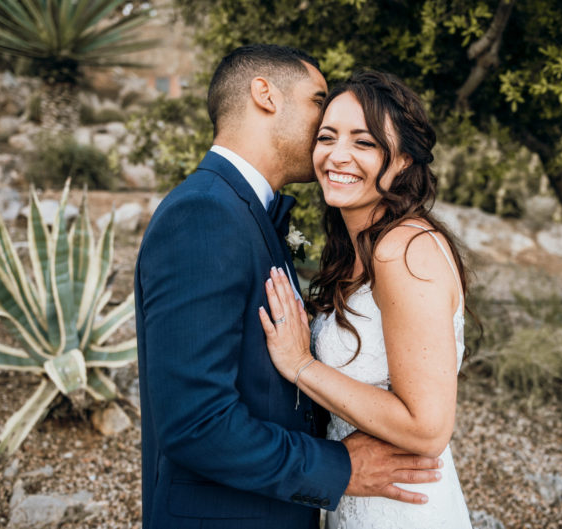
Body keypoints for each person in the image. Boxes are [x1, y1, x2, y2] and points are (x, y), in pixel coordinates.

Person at [134, 45, 444, 529]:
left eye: (363, 139)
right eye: (319, 101)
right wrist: (339, 467)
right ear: (265, 95)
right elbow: (194, 422)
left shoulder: (249, 211)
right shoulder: (205, 213)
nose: (326, 124)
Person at [259, 70, 473, 528]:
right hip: (358, 499)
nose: (337, 155)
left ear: (403, 162)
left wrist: (300, 365)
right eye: (327, 137)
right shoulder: (360, 248)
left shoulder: (403, 250)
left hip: (402, 510)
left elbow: (428, 429)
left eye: (364, 143)